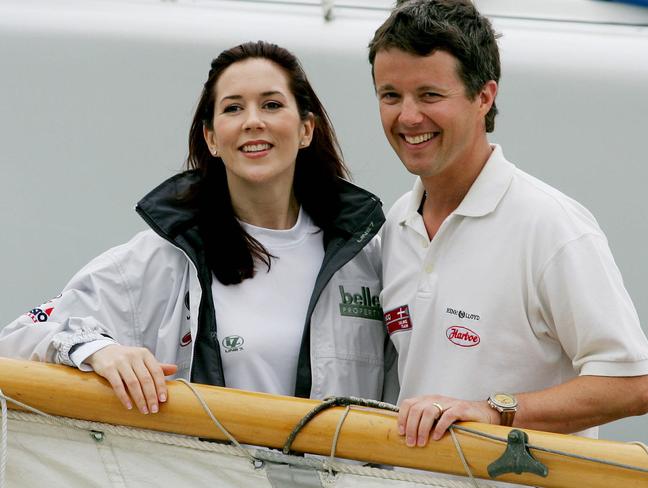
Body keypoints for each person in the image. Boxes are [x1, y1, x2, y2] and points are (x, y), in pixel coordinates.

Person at [0, 41, 395, 415]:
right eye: (233, 109)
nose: (253, 122)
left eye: (272, 105)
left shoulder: (366, 255)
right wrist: (99, 351)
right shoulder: (166, 258)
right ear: (211, 138)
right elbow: (19, 340)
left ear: (306, 129)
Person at [368, 0, 648, 448]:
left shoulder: (550, 225)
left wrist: (492, 410)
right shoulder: (394, 226)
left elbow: (634, 382)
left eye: (430, 95)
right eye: (390, 95)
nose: (408, 116)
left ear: (485, 96)